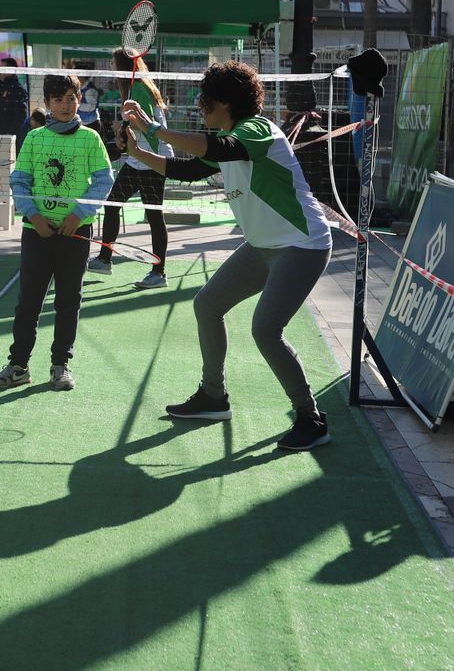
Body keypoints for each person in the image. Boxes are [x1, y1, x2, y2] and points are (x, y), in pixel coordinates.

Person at [122, 60, 336, 452]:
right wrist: (138, 151)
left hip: (302, 244)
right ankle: (213, 397)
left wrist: (153, 128)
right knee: (207, 305)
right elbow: (188, 170)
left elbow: (219, 148)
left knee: (265, 330)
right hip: (263, 245)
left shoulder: (255, 129)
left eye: (205, 98)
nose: (200, 105)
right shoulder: (228, 136)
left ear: (224, 102)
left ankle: (312, 418)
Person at [0, 73, 113, 394]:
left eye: (71, 98)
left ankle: (60, 365)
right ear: (47, 103)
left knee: (68, 302)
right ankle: (18, 366)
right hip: (37, 233)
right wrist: (33, 215)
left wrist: (78, 215)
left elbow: (103, 181)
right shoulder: (35, 138)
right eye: (58, 100)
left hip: (75, 234)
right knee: (28, 302)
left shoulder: (90, 139)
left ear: (79, 99)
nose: (66, 105)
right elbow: (20, 180)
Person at [90, 49, 172, 289]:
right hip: (138, 160)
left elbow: (150, 127)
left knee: (154, 216)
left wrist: (124, 128)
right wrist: (123, 134)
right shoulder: (132, 88)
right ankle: (104, 259)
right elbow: (137, 127)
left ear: (123, 65)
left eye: (113, 62)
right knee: (112, 204)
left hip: (153, 160)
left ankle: (159, 273)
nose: (111, 65)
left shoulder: (140, 89)